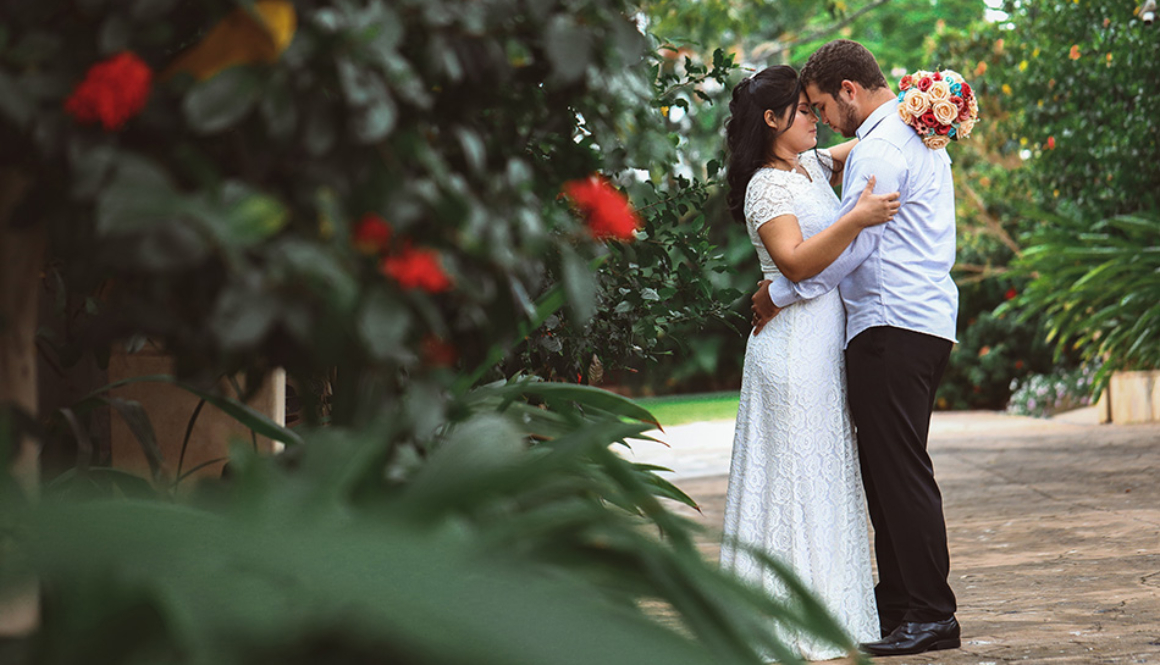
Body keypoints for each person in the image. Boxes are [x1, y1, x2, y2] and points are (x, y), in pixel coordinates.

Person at [751, 40, 962, 657]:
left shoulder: (881, 146)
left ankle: (931, 612)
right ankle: (899, 603)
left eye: (819, 104)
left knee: (900, 474)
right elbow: (832, 174)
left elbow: (858, 246)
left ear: (847, 91)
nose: (819, 118)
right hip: (918, 320)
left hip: (892, 323)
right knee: (889, 471)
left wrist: (783, 292)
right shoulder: (903, 130)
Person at [718, 64, 901, 662]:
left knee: (824, 475)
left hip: (823, 346)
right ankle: (783, 621)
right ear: (771, 120)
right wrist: (856, 218)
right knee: (795, 478)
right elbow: (794, 264)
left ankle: (830, 612)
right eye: (801, 110)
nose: (813, 118)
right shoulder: (766, 186)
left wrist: (925, 103)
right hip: (791, 351)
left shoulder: (814, 167)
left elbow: (876, 133)